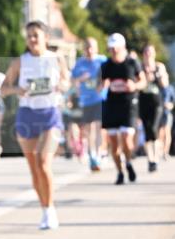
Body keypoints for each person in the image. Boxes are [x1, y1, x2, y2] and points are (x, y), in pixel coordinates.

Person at [1, 21, 70, 229]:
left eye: (35, 35)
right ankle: (44, 209)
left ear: (45, 38)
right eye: (29, 35)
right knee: (34, 169)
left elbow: (67, 83)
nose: (32, 39)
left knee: (43, 163)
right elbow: (3, 89)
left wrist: (61, 86)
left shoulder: (56, 59)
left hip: (50, 114)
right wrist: (17, 90)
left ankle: (51, 210)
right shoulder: (19, 62)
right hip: (27, 114)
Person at [99, 33, 145, 184]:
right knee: (113, 144)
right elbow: (100, 84)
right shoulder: (106, 65)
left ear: (122, 47)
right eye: (111, 49)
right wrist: (101, 86)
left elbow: (143, 81)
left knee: (126, 138)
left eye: (116, 49)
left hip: (128, 104)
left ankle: (129, 162)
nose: (113, 51)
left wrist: (135, 86)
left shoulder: (132, 63)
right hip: (112, 105)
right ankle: (120, 172)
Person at [71, 37, 106, 171]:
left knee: (97, 127)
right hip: (86, 100)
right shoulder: (80, 63)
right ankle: (92, 154)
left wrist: (103, 83)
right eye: (87, 48)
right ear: (84, 49)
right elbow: (72, 80)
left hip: (99, 99)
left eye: (92, 47)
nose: (90, 50)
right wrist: (80, 80)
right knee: (88, 129)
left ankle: (96, 155)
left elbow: (111, 75)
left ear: (96, 48)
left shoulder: (102, 60)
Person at [139, 44, 169, 172]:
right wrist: (145, 78)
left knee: (154, 128)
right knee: (146, 130)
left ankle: (156, 157)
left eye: (150, 52)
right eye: (146, 52)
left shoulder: (159, 66)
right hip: (143, 101)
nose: (148, 54)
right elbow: (138, 84)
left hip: (156, 102)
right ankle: (150, 159)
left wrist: (157, 75)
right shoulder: (139, 66)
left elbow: (165, 84)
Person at [159, 81, 174, 161]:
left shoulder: (170, 88)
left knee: (167, 132)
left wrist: (170, 106)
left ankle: (166, 152)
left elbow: (173, 101)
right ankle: (160, 152)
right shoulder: (158, 87)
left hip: (167, 113)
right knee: (160, 133)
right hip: (159, 113)